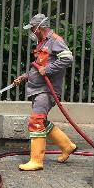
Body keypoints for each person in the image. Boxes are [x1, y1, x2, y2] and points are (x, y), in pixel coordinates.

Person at [13, 13, 77, 171]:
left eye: (32, 28)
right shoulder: (42, 43)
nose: (31, 31)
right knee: (41, 121)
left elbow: (67, 58)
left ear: (39, 27)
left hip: (47, 91)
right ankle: (67, 146)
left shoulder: (55, 40)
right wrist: (25, 76)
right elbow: (38, 67)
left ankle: (36, 161)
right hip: (38, 89)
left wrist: (47, 69)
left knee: (36, 121)